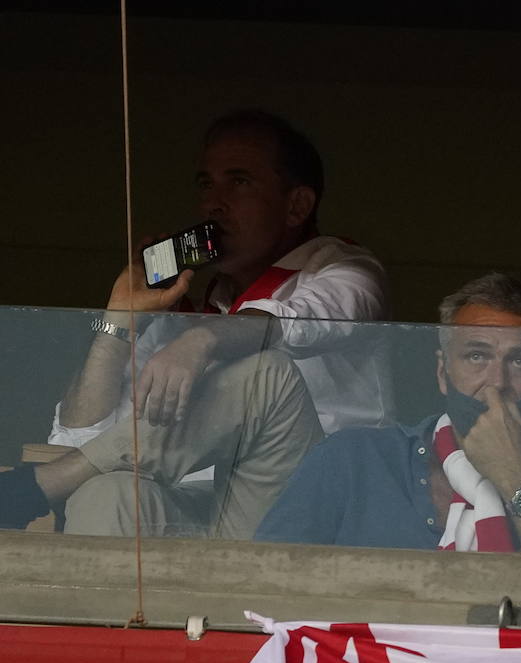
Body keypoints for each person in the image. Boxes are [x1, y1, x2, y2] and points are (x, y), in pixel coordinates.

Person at [0, 110, 391, 536]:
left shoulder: (345, 270)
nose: (212, 203)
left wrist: (202, 340)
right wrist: (119, 319)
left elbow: (294, 323)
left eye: (239, 182)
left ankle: (38, 487)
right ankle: (93, 579)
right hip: (195, 506)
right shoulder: (185, 305)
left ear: (296, 205)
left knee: (266, 374)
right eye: (206, 184)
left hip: (303, 508)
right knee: (106, 492)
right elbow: (73, 441)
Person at [255, 273, 521, 556]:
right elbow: (261, 585)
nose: (496, 383)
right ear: (442, 373)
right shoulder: (351, 459)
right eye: (477, 356)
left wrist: (516, 478)